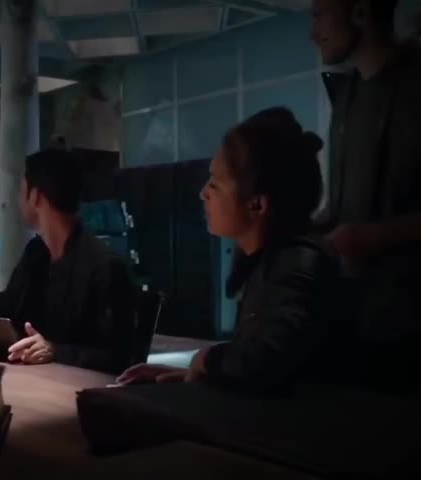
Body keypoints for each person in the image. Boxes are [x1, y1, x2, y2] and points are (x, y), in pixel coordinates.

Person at [117, 108, 341, 393]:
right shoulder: (269, 262)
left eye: (214, 183)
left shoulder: (298, 261)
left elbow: (267, 362)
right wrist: (188, 375)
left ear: (257, 204)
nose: (203, 193)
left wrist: (206, 359)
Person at [0, 148, 135, 374]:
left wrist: (55, 351)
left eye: (21, 190)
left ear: (35, 196)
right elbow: (5, 307)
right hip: (33, 380)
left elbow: (120, 357)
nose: (17, 200)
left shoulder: (105, 266)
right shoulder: (36, 254)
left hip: (76, 389)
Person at [311, 0, 421, 389]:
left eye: (319, 14)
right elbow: (340, 210)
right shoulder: (346, 96)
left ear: (359, 11)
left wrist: (376, 237)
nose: (313, 33)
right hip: (361, 319)